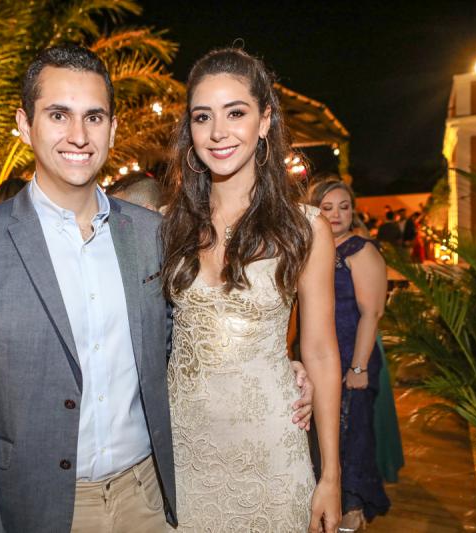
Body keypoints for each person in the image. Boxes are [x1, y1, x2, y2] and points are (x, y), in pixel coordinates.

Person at [0, 44, 316, 532]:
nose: (78, 135)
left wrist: (274, 367)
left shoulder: (152, 234)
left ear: (112, 129)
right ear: (25, 125)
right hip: (44, 507)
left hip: (151, 497)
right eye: (58, 115)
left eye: (93, 117)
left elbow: (183, 339)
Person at [161, 48, 342, 533]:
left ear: (264, 121)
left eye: (235, 113)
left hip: (271, 450)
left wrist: (331, 475)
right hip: (183, 452)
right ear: (190, 130)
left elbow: (321, 352)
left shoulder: (305, 229)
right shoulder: (167, 225)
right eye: (203, 117)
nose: (218, 132)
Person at [309, 179, 391, 530]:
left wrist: (358, 367)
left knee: (352, 432)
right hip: (319, 355)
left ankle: (353, 506)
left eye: (344, 207)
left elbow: (372, 313)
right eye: (327, 208)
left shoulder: (361, 250)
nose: (337, 214)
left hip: (353, 355)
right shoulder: (312, 249)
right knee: (323, 433)